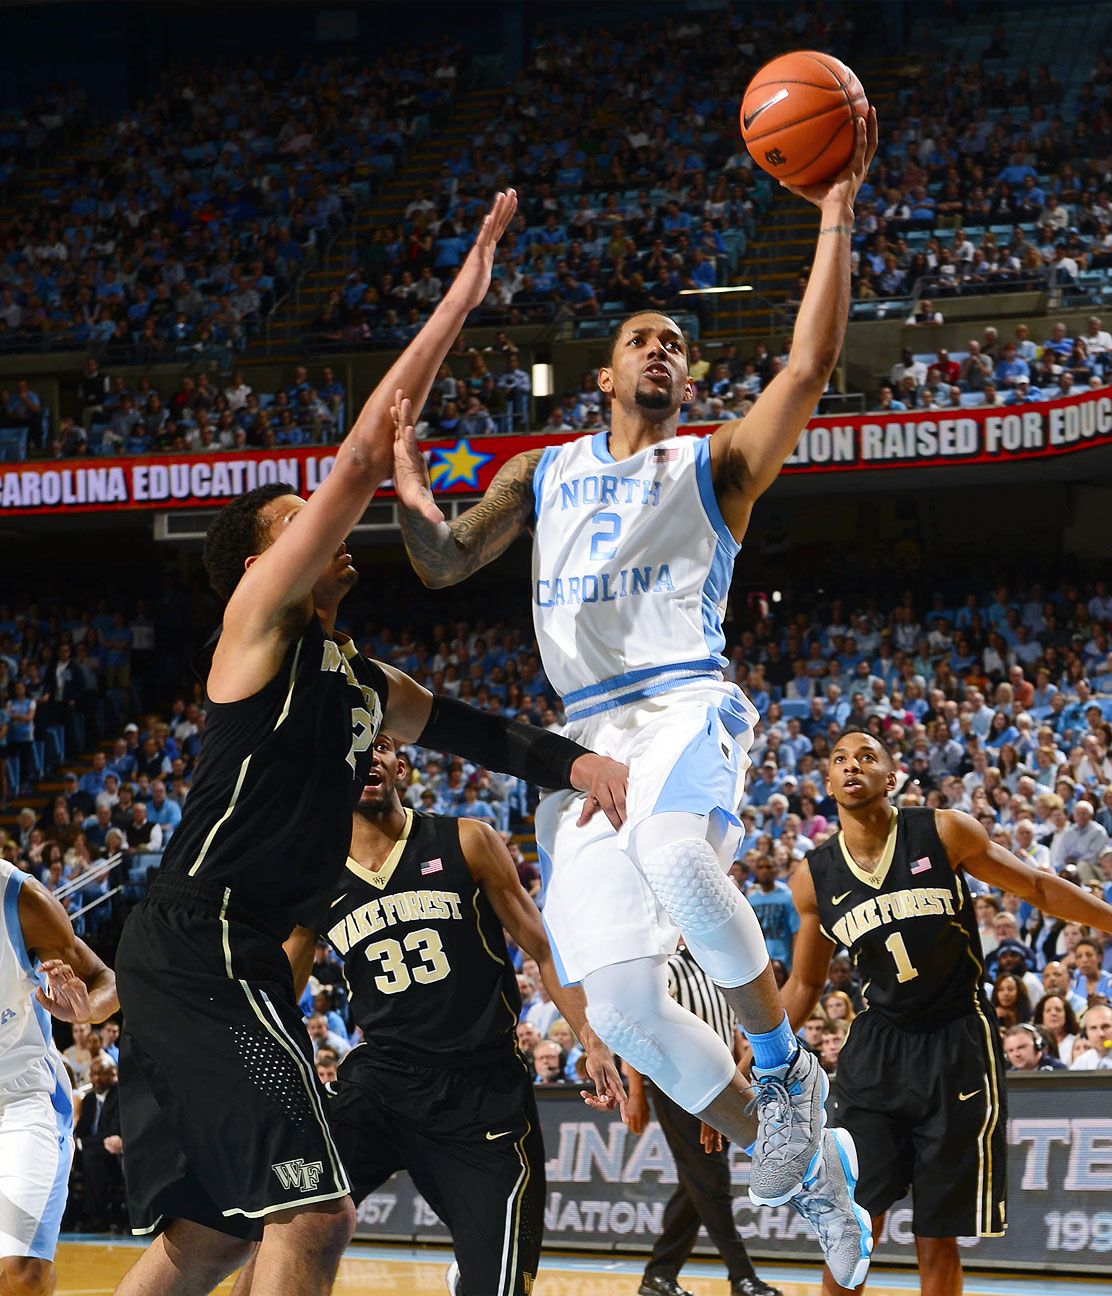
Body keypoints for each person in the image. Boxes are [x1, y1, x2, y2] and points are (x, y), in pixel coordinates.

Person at [391, 112, 882, 1284]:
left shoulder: (712, 464)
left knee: (674, 853)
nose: (661, 349)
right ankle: (816, 1177)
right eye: (640, 339)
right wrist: (405, 478)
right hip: (582, 743)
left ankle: (785, 1070)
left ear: (685, 378)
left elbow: (807, 370)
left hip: (681, 706)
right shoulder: (542, 473)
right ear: (604, 375)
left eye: (676, 343)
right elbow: (442, 563)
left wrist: (833, 212)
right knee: (618, 1007)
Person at [111, 192, 630, 1296]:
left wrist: (574, 762)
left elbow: (473, 729)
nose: (323, 523)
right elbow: (355, 461)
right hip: (205, 941)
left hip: (228, 956)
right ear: (266, 562)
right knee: (317, 1208)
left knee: (213, 1237)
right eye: (294, 521)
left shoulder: (357, 679)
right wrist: (461, 301)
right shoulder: (256, 623)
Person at [782, 730, 1112, 1295]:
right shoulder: (813, 877)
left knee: (939, 1233)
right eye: (839, 759)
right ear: (829, 784)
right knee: (850, 1225)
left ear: (891, 776)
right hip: (878, 1049)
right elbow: (806, 982)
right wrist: (753, 1057)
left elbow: (1039, 888)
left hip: (957, 1040)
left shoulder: (944, 830)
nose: (851, 765)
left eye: (866, 756)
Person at [231, 731, 622, 1296]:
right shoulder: (314, 873)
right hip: (379, 1085)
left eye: (379, 745)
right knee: (289, 1223)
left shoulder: (467, 840)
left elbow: (543, 949)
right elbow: (278, 995)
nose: (366, 756)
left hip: (483, 1092)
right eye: (350, 749)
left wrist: (591, 1035)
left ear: (401, 767)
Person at [626, 944, 781, 1296]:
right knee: (712, 1180)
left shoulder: (720, 970)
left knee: (697, 1183)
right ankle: (742, 1277)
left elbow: (731, 1034)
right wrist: (635, 1091)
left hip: (723, 1086)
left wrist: (743, 1086)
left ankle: (659, 1273)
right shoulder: (669, 968)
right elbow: (637, 1032)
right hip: (681, 1086)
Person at [1, 860, 118, 1296]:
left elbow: (106, 979)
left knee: (23, 1272)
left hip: (23, 1097)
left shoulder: (22, 902)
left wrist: (88, 1010)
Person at [74, 1055, 124, 1231]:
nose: (95, 1078)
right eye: (93, 1074)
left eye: (101, 1074)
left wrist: (83, 1142)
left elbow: (113, 1131)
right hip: (90, 1149)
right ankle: (70, 1216)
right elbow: (81, 1129)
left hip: (113, 1150)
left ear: (112, 1075)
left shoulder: (119, 1096)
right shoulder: (89, 1099)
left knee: (92, 1157)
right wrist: (75, 1140)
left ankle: (96, 1216)